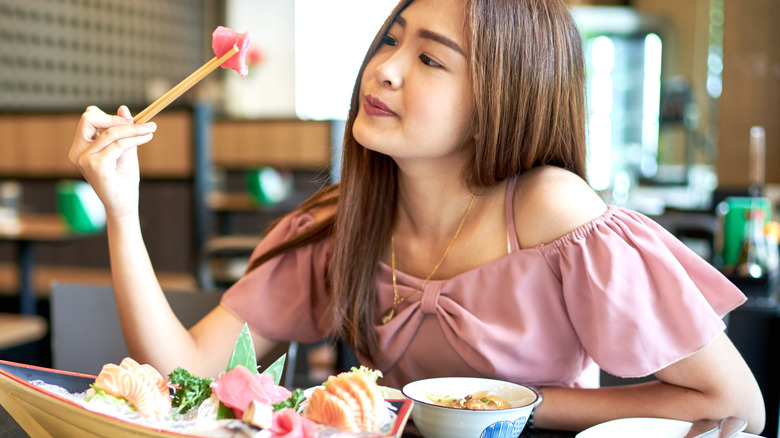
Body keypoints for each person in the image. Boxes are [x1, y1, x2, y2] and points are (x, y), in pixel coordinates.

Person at [68, 0, 765, 433]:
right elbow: (181, 377)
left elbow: (733, 402)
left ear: (502, 96)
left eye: (431, 58)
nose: (386, 69)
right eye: (392, 40)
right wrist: (121, 212)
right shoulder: (345, 222)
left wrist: (479, 403)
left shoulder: (552, 209)